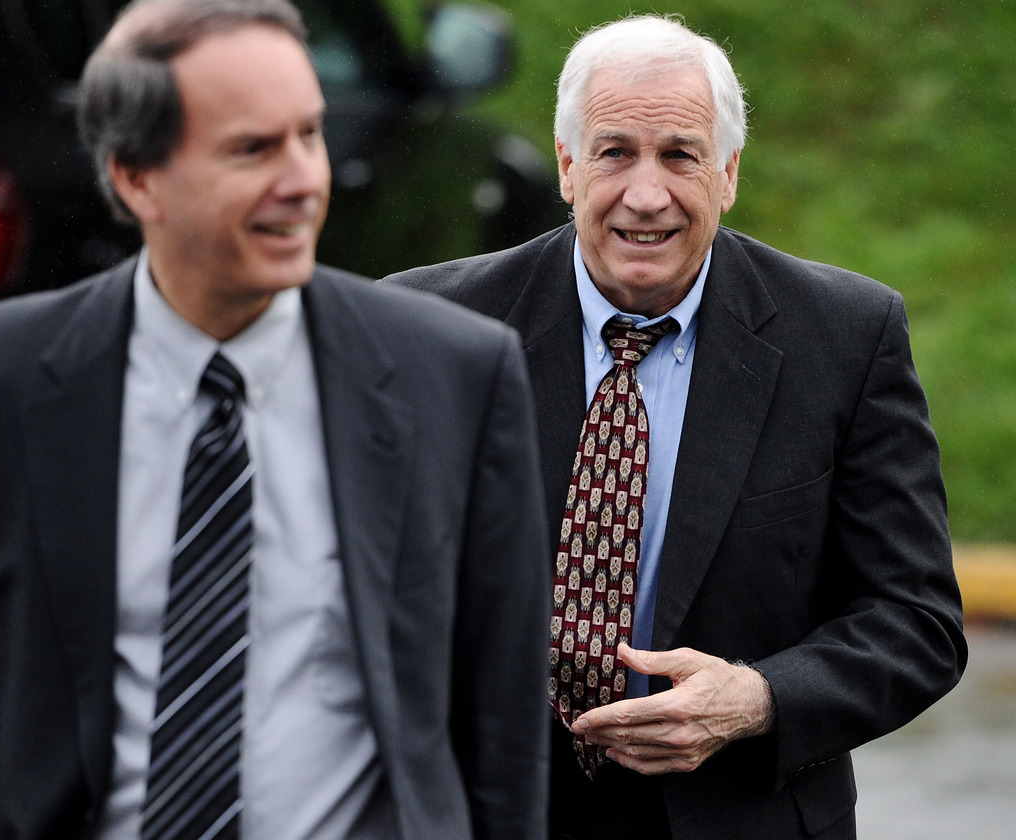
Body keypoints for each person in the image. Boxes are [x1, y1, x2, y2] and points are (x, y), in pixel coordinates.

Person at [0, 1, 551, 838]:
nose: (304, 181)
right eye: (252, 149)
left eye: (309, 135)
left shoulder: (457, 376)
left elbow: (504, 719)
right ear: (136, 177)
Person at [385, 14, 966, 840]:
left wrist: (757, 698)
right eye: (615, 152)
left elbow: (916, 621)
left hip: (739, 816)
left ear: (728, 174)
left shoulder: (845, 338)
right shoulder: (425, 326)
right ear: (567, 166)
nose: (646, 195)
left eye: (681, 156)